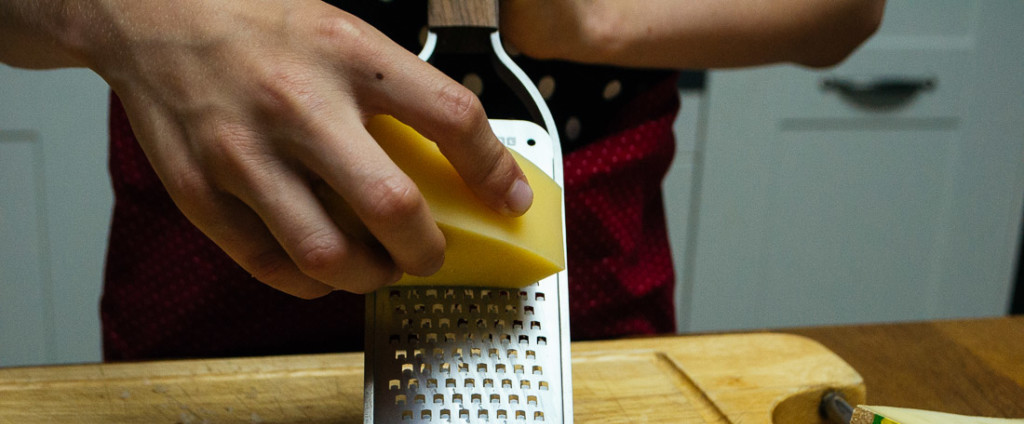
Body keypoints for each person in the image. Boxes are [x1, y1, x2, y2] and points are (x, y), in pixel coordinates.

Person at [0, 0, 884, 360]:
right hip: (223, 239)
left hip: (576, 246)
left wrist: (594, 16)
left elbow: (847, 10)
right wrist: (123, 14)